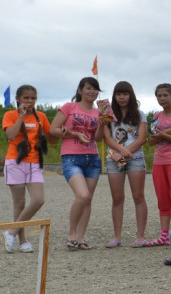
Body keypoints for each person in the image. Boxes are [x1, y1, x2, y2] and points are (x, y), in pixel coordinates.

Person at [49, 77, 105, 250]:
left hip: (93, 158)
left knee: (88, 200)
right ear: (80, 90)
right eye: (88, 88)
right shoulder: (69, 107)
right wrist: (74, 134)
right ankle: (72, 235)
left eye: (95, 89)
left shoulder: (99, 112)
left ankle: (80, 238)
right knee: (83, 195)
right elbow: (53, 129)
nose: (92, 92)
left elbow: (98, 138)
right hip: (71, 157)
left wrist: (103, 123)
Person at [2, 85, 56, 253]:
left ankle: (11, 233)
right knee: (19, 203)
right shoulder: (10, 115)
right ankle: (22, 241)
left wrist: (64, 130)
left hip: (34, 163)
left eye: (33, 98)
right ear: (18, 99)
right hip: (15, 161)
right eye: (26, 98)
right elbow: (11, 135)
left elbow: (52, 138)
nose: (30, 101)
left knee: (38, 200)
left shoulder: (41, 116)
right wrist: (21, 116)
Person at [101, 81, 148, 248]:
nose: (121, 97)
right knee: (117, 198)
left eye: (125, 94)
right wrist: (121, 151)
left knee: (138, 196)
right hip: (114, 159)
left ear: (131, 95)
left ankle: (140, 236)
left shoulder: (140, 115)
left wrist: (124, 152)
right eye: (118, 94)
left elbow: (141, 138)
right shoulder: (108, 114)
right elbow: (107, 138)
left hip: (135, 158)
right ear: (114, 96)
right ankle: (117, 237)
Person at [145, 83, 171, 247]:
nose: (162, 98)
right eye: (159, 96)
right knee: (162, 199)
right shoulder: (156, 116)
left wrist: (162, 134)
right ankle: (164, 235)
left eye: (165, 95)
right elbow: (151, 141)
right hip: (159, 161)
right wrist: (167, 133)